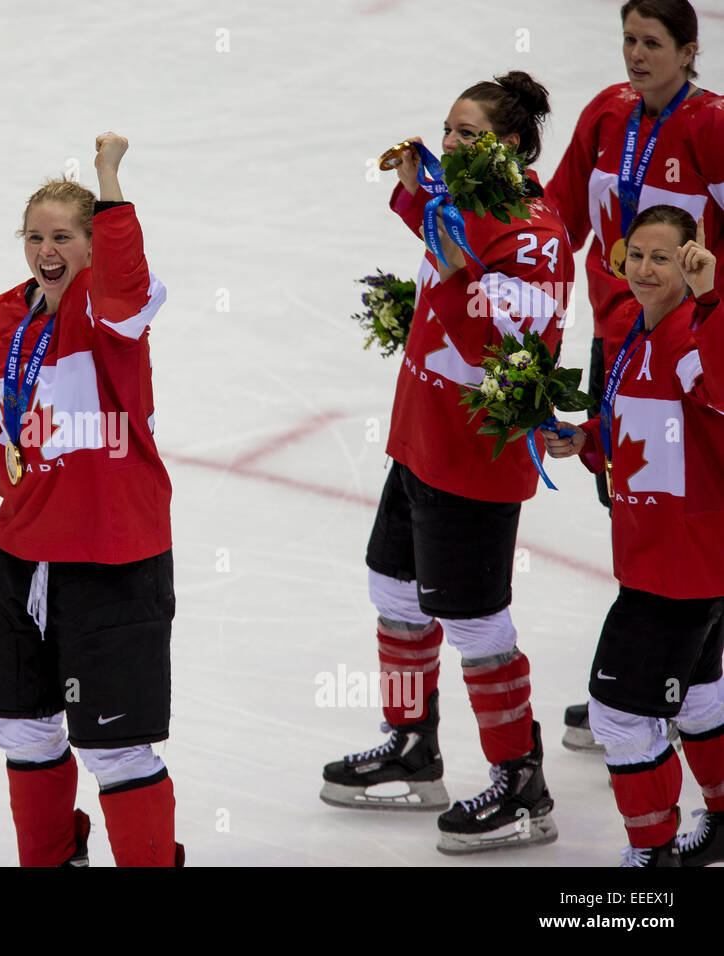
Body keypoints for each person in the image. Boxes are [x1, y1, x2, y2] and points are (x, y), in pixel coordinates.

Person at [320, 72, 575, 855]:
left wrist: (453, 263)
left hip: (473, 454)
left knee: (474, 620)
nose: (452, 145)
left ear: (512, 146)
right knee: (393, 590)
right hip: (420, 436)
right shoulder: (472, 203)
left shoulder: (535, 232)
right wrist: (412, 195)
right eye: (450, 130)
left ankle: (522, 784)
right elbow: (445, 233)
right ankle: (413, 745)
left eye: (470, 134)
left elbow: (503, 345)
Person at [0, 132, 180, 867]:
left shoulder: (111, 318)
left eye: (65, 236)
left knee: (114, 744)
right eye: (36, 236)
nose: (48, 249)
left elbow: (128, 281)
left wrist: (108, 176)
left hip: (112, 558)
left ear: (91, 244)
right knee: (21, 727)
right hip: (19, 557)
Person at [544, 0, 724, 753]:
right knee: (630, 496)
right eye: (628, 40)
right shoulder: (606, 115)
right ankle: (659, 670)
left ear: (688, 52)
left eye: (653, 43)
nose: (636, 56)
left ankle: (657, 673)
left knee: (694, 504)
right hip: (619, 347)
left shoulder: (711, 125)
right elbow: (557, 217)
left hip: (690, 349)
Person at [543, 206, 724, 866]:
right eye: (637, 256)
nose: (645, 270)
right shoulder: (634, 332)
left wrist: (713, 300)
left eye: (664, 258)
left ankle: (654, 857)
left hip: (679, 566)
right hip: (669, 559)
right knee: (700, 694)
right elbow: (635, 431)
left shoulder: (692, 336)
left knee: (618, 712)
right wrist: (584, 440)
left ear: (692, 261)